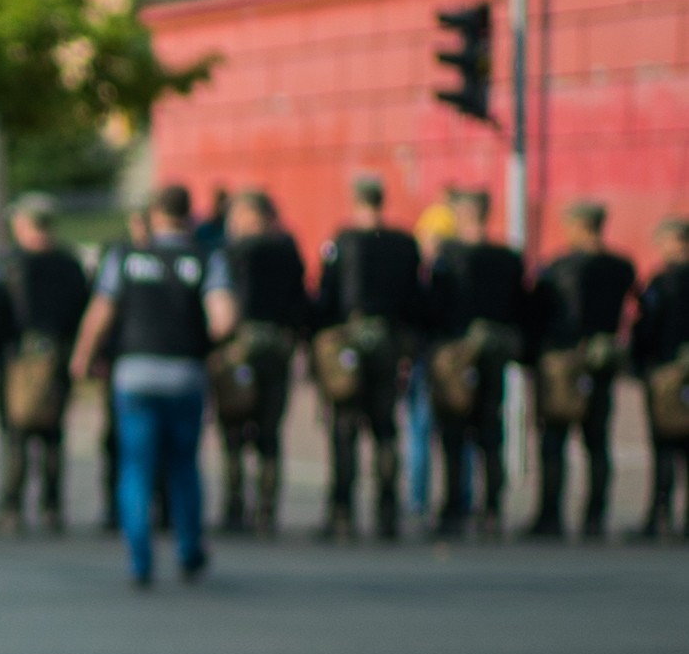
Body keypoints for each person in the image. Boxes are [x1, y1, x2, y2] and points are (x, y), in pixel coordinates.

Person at [74, 181, 239, 588]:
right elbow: (224, 320)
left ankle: (140, 559)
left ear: (152, 214)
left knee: (136, 468)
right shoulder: (204, 259)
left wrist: (82, 358)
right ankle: (188, 550)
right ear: (189, 215)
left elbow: (100, 312)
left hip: (134, 374)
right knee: (184, 465)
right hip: (184, 374)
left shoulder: (125, 257)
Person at [311, 174, 427, 541]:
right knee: (385, 429)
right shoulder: (405, 243)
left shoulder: (343, 242)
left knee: (344, 428)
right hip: (390, 341)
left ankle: (342, 512)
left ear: (356, 201)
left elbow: (327, 298)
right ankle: (387, 513)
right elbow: (415, 296)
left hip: (350, 341)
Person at [0, 196, 91, 536]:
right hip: (59, 358)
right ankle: (52, 507)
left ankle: (11, 507)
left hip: (18, 361)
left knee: (15, 434)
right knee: (53, 433)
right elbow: (82, 311)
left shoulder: (10, 264)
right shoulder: (71, 264)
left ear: (23, 225)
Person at [526, 199, 638, 540]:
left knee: (554, 440)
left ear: (576, 226)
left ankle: (550, 516)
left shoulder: (558, 268)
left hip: (563, 362)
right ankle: (594, 516)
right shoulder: (622, 267)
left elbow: (539, 314)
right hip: (601, 360)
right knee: (597, 441)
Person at [424, 184, 529, 539]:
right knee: (490, 431)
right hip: (495, 352)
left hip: (455, 355)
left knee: (453, 432)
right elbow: (520, 307)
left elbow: (434, 306)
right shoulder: (508, 258)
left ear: (464, 214)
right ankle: (492, 509)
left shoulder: (448, 258)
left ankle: (455, 508)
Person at [212, 187, 309, 538]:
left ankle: (234, 507)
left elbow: (219, 305)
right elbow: (301, 300)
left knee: (233, 431)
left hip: (239, 346)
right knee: (269, 434)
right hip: (278, 347)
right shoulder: (287, 251)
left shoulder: (230, 252)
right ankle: (266, 512)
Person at [636, 216, 689, 541]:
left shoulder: (663, 282)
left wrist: (640, 361)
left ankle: (659, 515)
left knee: (664, 446)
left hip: (666, 373)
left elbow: (647, 327)